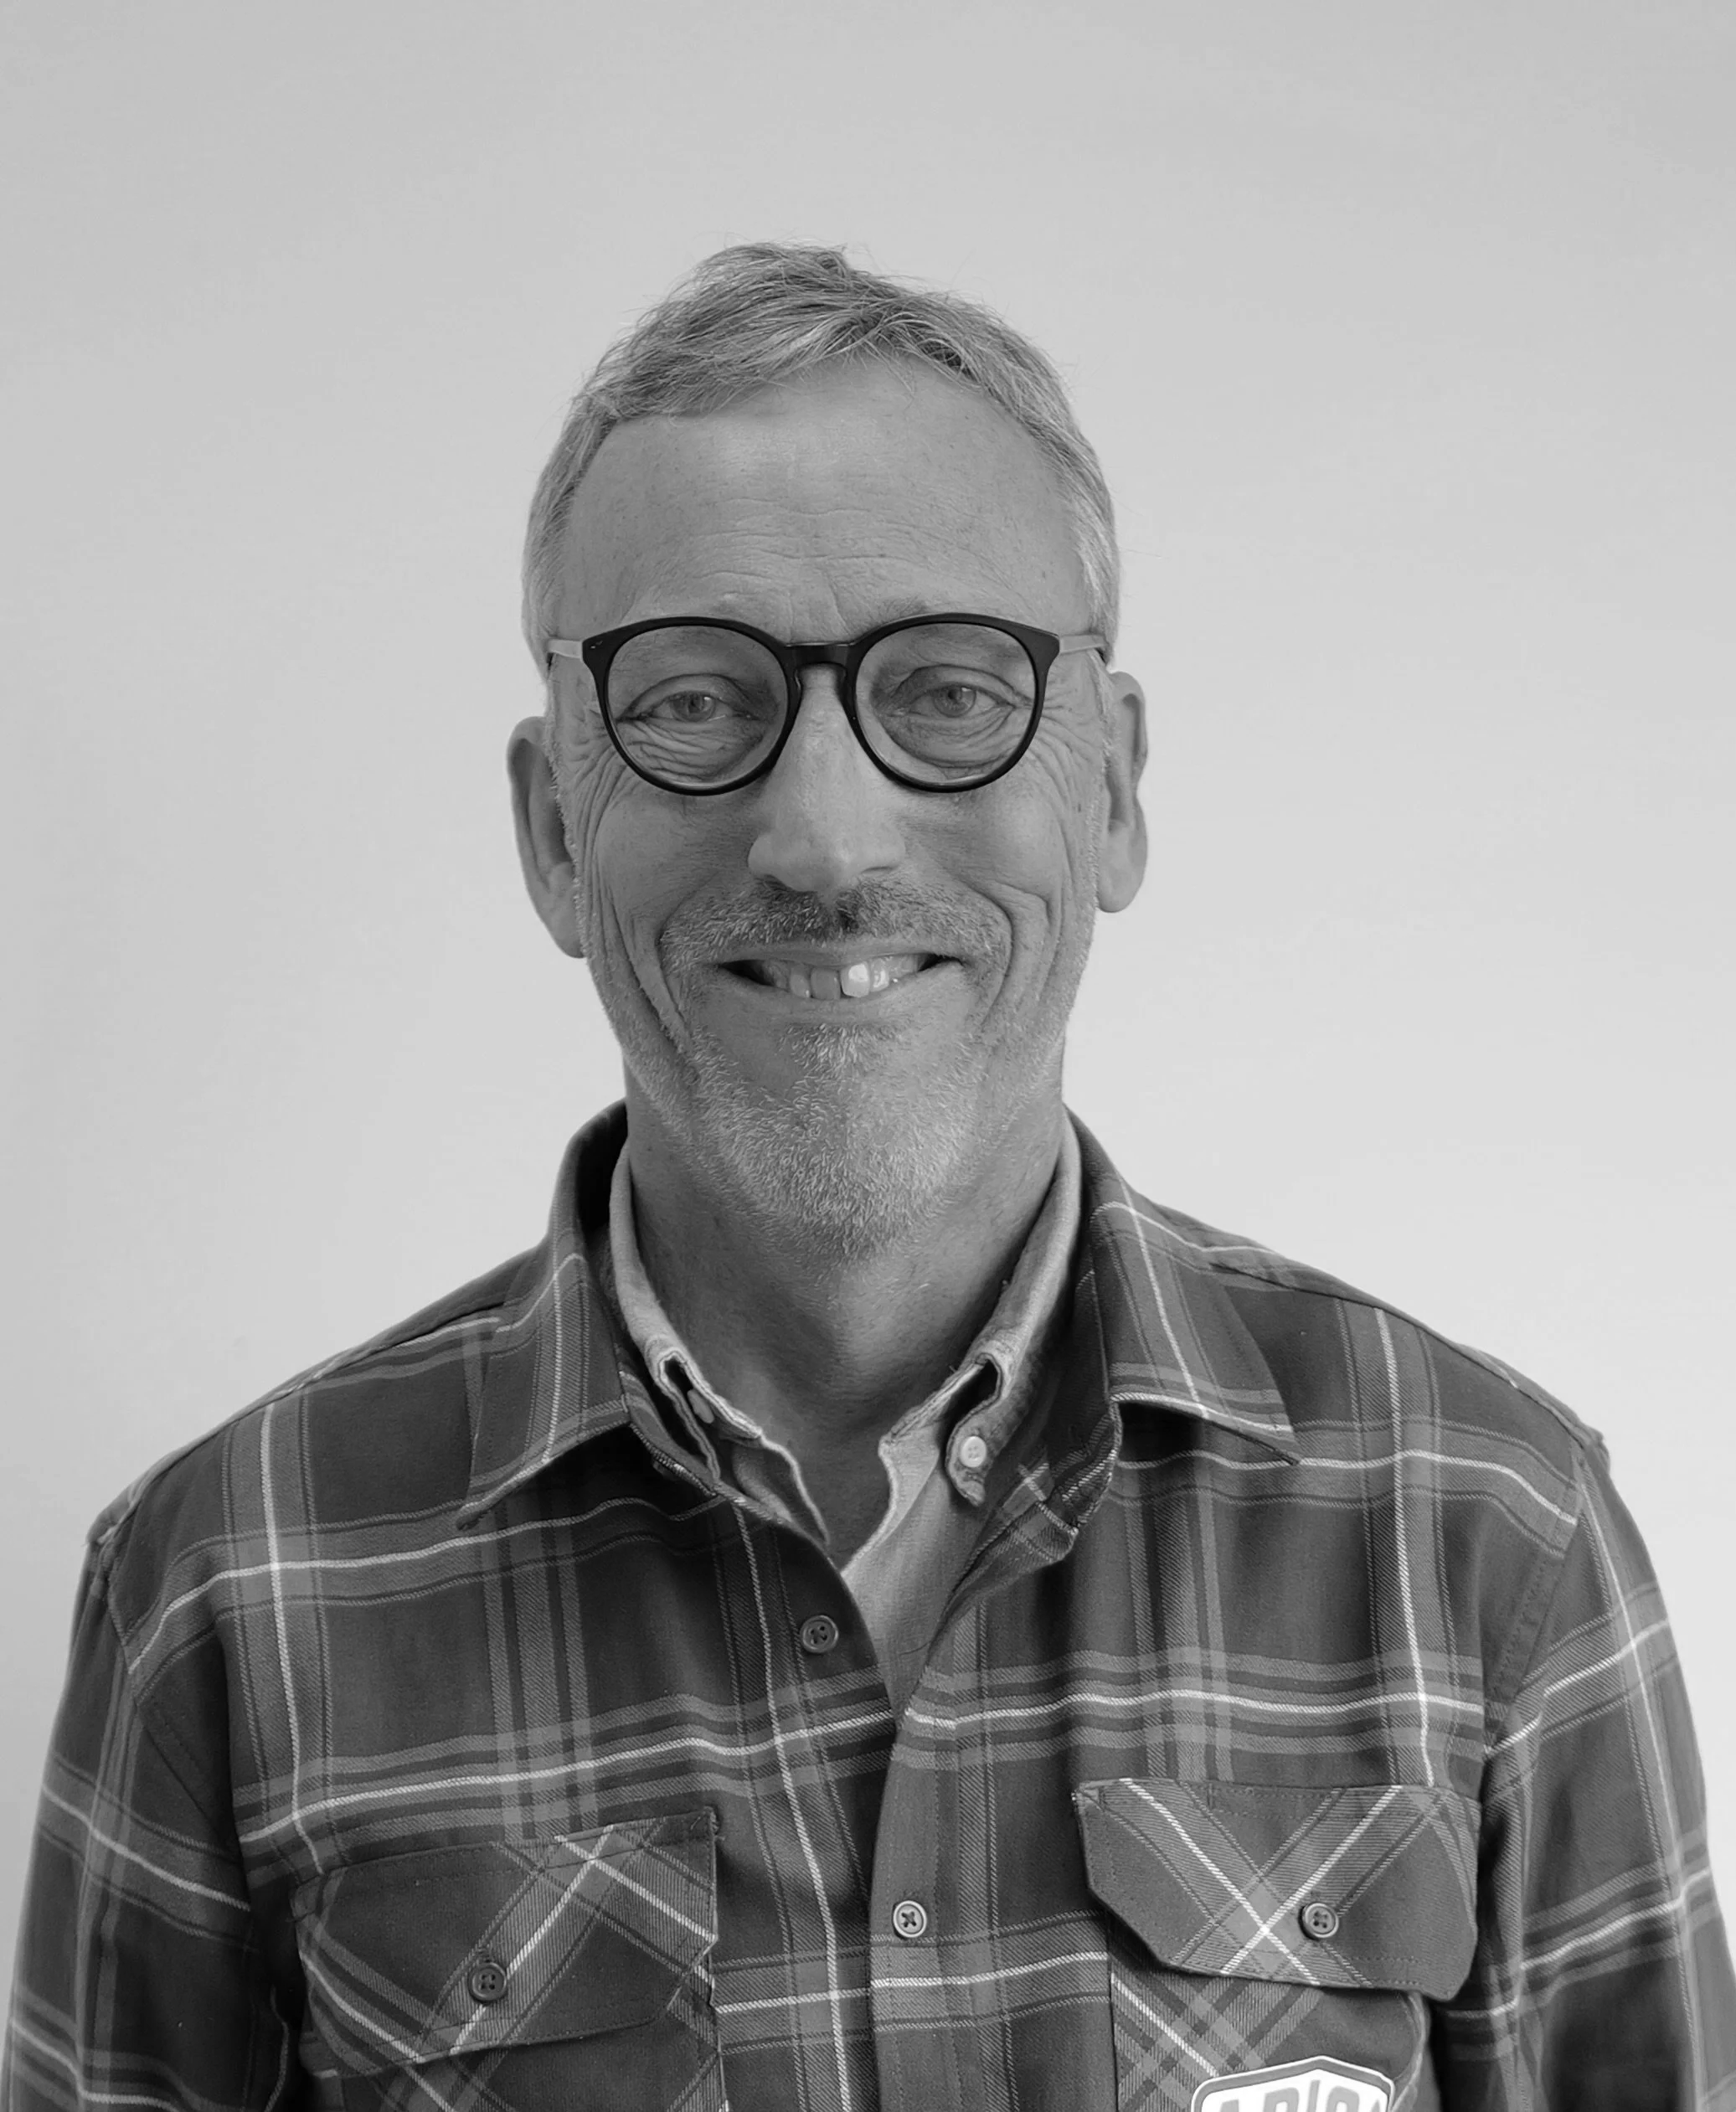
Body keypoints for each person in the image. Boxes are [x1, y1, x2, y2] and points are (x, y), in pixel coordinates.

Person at [6, 243, 1733, 2112]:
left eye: (949, 688)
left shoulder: (1486, 1531)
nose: (824, 833)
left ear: (1117, 790)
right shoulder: (228, 1583)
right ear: (549, 829)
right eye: (687, 700)